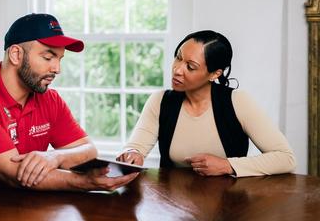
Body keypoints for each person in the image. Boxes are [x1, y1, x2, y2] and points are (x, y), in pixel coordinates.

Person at [0, 13, 139, 217]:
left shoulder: (49, 99)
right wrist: (85, 182)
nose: (57, 69)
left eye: (60, 59)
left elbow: (88, 150)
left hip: (18, 206)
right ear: (16, 54)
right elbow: (14, 173)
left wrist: (55, 156)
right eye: (48, 57)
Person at [117, 30, 295, 176]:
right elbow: (136, 148)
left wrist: (227, 165)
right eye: (178, 57)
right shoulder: (160, 101)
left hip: (228, 208)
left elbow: (285, 158)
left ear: (214, 74)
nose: (177, 70)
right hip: (172, 208)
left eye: (190, 66)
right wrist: (133, 154)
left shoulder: (238, 101)